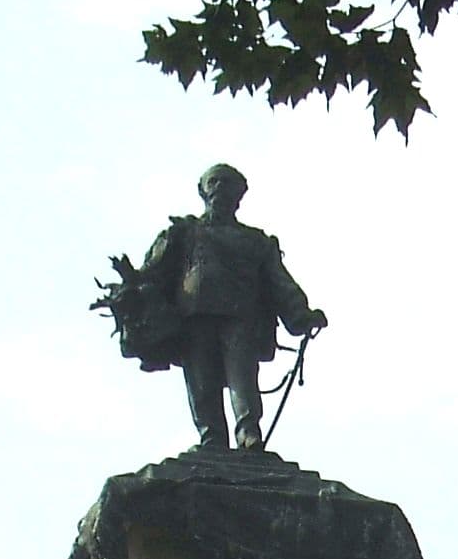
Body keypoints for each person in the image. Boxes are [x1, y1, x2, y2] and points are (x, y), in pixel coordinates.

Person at [131, 165, 327, 450]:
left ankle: (248, 432)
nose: (220, 189)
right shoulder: (183, 233)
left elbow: (280, 282)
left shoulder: (256, 241)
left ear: (240, 195)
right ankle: (211, 437)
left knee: (242, 378)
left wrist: (300, 315)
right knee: (201, 380)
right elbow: (152, 273)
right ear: (203, 191)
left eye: (228, 183)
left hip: (240, 317)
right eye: (214, 182)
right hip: (195, 317)